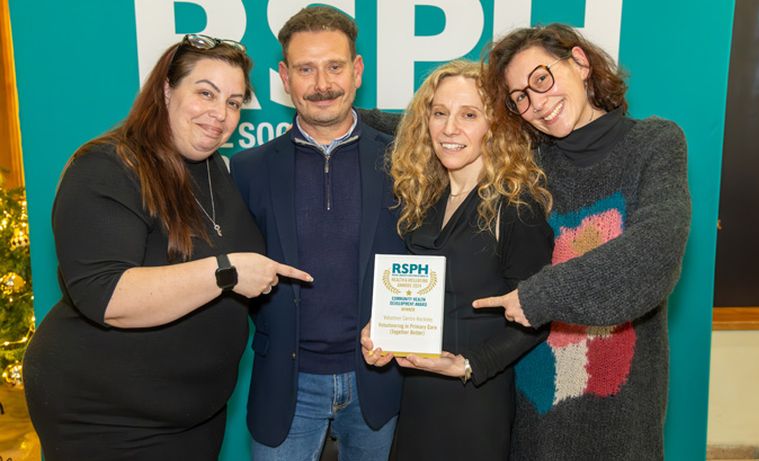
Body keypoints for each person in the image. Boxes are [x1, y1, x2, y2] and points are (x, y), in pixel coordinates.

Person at [23, 34, 312, 460]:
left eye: (233, 102)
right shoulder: (109, 165)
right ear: (166, 89)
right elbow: (108, 294)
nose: (220, 114)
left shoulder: (215, 170)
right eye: (205, 93)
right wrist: (226, 272)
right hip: (108, 419)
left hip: (194, 416)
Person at [466, 24, 691, 460]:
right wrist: (345, 117)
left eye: (542, 78)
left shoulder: (655, 143)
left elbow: (654, 252)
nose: (537, 102)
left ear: (581, 63)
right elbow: (433, 124)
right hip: (533, 414)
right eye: (520, 98)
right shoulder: (525, 163)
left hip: (623, 414)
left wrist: (538, 296)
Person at [230, 6, 405, 460]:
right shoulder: (248, 170)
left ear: (357, 70)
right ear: (285, 78)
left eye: (334, 66)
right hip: (285, 385)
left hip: (379, 380)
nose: (322, 84)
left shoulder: (405, 162)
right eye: (306, 69)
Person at [361, 60, 554, 461]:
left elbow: (537, 317)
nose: (450, 128)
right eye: (439, 113)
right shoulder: (424, 200)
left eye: (469, 115)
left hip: (474, 402)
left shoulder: (517, 206)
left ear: (495, 125)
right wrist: (383, 330)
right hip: (415, 397)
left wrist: (467, 365)